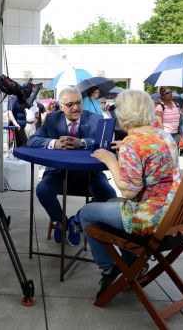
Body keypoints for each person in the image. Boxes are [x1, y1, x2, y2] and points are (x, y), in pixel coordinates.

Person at [76, 90, 181, 298]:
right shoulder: (164, 135)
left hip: (149, 219)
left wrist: (111, 160)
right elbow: (150, 154)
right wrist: (126, 147)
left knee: (86, 213)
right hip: (173, 213)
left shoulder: (133, 143)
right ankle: (130, 260)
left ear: (123, 116)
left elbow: (129, 191)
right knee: (108, 201)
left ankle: (110, 268)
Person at [27, 86, 117, 246]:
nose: (76, 108)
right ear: (61, 106)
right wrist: (54, 143)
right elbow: (32, 140)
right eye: (70, 105)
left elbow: (106, 144)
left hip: (89, 176)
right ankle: (61, 221)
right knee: (42, 190)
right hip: (59, 174)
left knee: (108, 194)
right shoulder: (52, 119)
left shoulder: (95, 119)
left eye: (78, 103)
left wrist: (82, 143)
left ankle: (77, 220)